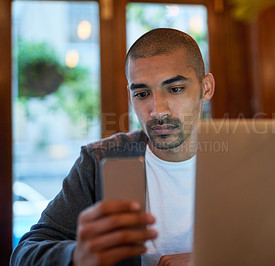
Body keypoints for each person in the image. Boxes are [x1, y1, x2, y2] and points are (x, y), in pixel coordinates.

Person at [10, 28, 215, 266]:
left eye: (175, 89)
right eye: (142, 93)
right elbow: (24, 253)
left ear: (206, 88)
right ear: (131, 97)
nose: (157, 110)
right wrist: (77, 255)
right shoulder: (99, 160)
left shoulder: (244, 160)